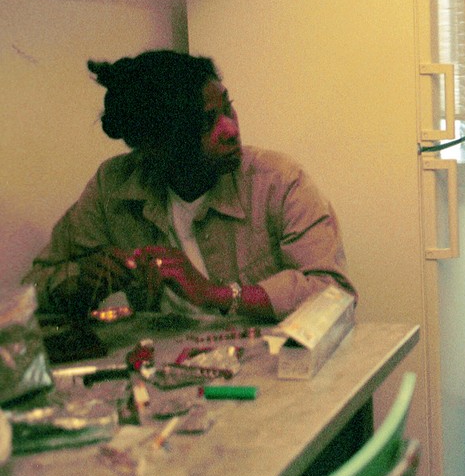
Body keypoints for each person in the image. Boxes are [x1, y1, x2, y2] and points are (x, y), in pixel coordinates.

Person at [24, 49, 355, 331]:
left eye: (227, 107)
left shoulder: (277, 181)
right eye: (206, 122)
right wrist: (80, 279)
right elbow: (33, 288)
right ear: (157, 145)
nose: (230, 129)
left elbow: (335, 294)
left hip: (275, 371)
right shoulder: (113, 187)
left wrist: (215, 293)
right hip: (169, 376)